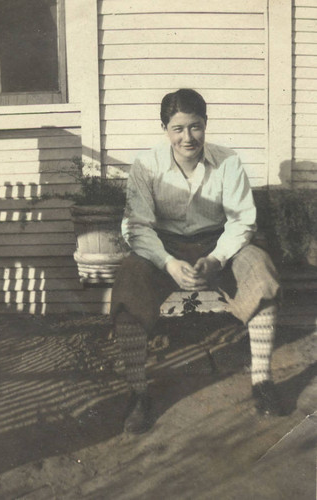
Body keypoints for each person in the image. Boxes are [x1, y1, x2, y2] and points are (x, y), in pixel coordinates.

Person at [111, 89, 281, 434]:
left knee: (261, 273)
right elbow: (137, 225)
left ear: (205, 125)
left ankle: (262, 382)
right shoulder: (146, 165)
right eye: (178, 129)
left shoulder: (228, 161)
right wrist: (168, 263)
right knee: (129, 282)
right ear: (165, 128)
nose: (188, 137)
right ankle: (138, 394)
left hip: (219, 243)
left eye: (196, 127)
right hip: (164, 247)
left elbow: (242, 221)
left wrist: (218, 258)